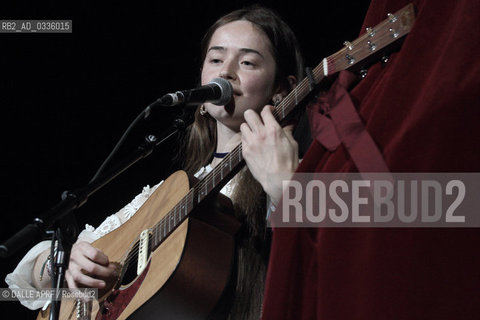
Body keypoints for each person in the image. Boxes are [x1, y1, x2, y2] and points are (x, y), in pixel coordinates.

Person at [5, 5, 304, 320]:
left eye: (247, 62)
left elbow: (356, 226)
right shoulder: (170, 192)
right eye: (215, 59)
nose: (225, 72)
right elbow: (32, 275)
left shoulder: (303, 165)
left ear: (282, 89)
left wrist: (287, 186)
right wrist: (66, 266)